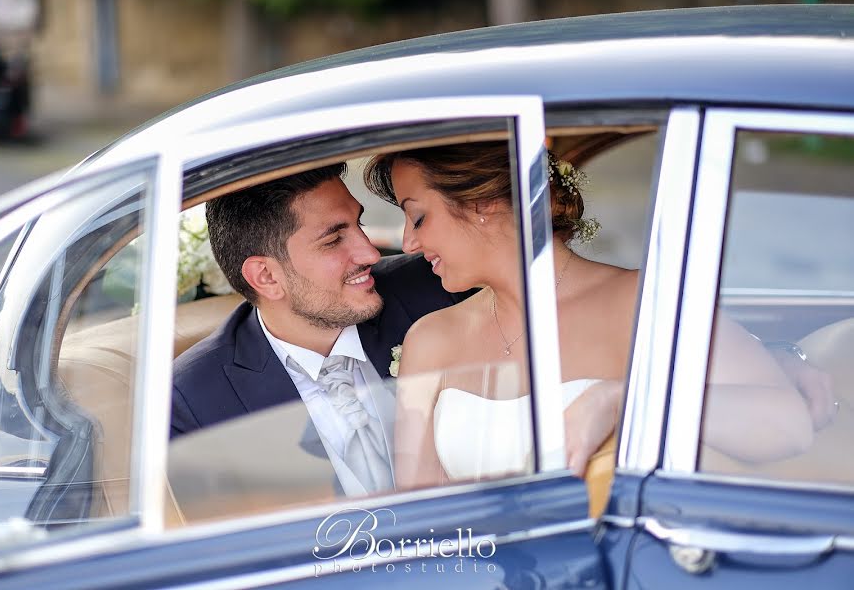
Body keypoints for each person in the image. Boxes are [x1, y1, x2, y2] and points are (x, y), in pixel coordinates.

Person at [364, 141, 830, 491]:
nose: (408, 243)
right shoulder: (430, 341)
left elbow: (787, 426)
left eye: (418, 217)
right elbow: (422, 522)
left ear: (484, 204)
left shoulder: (643, 303)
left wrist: (625, 400)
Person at [170, 163, 463, 497]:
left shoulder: (438, 289)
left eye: (359, 223)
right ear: (266, 276)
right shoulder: (193, 401)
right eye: (334, 239)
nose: (370, 252)